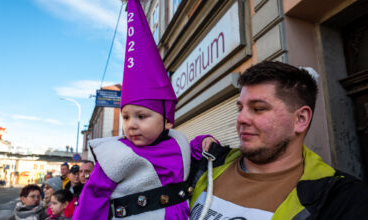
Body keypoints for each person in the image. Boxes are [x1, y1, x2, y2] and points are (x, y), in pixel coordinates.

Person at [189, 61, 368, 219]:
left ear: (301, 119)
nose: (241, 119)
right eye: (240, 109)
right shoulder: (206, 165)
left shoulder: (342, 199)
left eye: (258, 108)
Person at [72, 0, 199, 219]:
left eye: (142, 116)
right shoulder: (115, 156)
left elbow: (195, 150)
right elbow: (91, 201)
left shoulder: (178, 143)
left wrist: (205, 140)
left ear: (168, 121)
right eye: (126, 116)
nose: (131, 124)